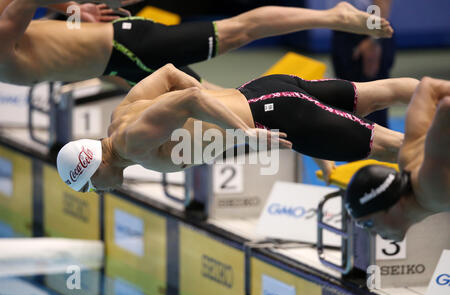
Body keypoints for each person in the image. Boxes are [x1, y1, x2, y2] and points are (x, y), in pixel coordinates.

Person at [55, 63, 419, 193]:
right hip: (263, 92)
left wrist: (244, 128)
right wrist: (233, 104)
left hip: (275, 113)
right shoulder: (121, 114)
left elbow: (189, 100)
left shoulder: (131, 142)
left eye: (89, 187)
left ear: (95, 167)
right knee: (377, 95)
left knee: (394, 147)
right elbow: (168, 74)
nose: (97, 192)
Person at [0, 0, 394, 88]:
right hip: (118, 65)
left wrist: (76, 10)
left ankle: (334, 17)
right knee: (220, 104)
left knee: (240, 30)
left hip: (130, 47)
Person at [345, 77, 450, 241]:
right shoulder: (407, 158)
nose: (372, 234)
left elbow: (446, 108)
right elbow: (427, 88)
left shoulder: (433, 187)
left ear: (389, 204)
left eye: (368, 224)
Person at [331, 0, 395, 128]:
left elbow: (382, 3)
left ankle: (377, 143)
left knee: (370, 96)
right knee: (347, 94)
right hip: (343, 28)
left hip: (367, 32)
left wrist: (374, 40)